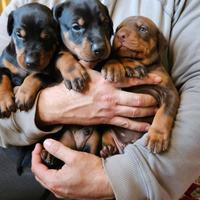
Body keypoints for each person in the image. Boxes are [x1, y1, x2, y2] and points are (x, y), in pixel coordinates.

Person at [0, 0, 200, 200]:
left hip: (134, 162)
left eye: (105, 26)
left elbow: (195, 86)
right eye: (77, 27)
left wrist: (119, 178)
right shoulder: (26, 6)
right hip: (27, 150)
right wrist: (46, 107)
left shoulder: (180, 5)